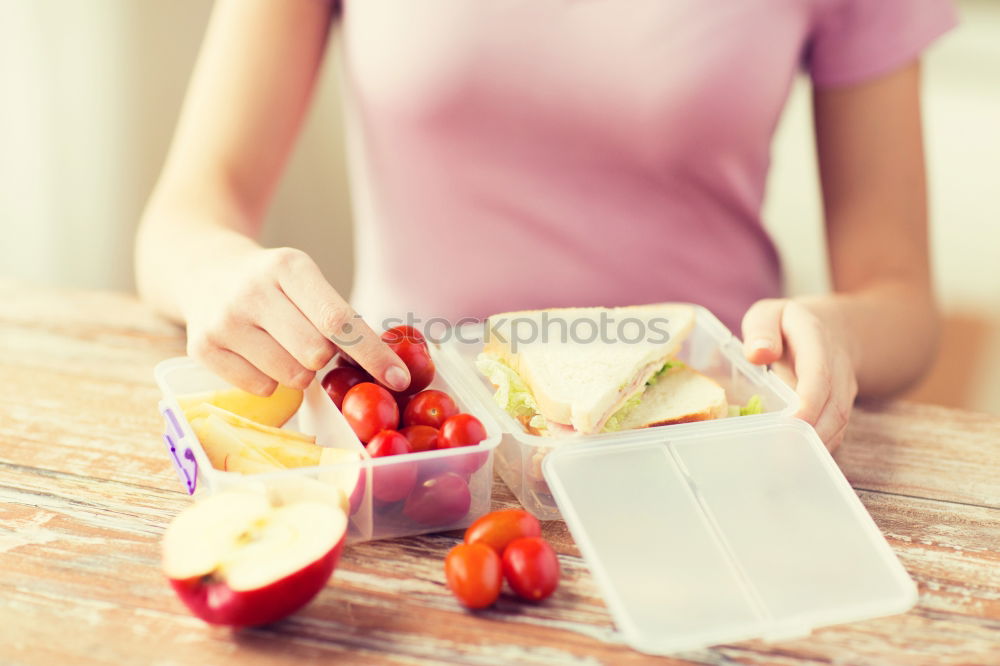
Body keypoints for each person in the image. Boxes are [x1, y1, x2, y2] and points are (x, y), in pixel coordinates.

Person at [136, 0, 956, 450]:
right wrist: (217, 271)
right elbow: (185, 216)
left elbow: (903, 304)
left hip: (711, 438)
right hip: (422, 434)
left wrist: (836, 332)